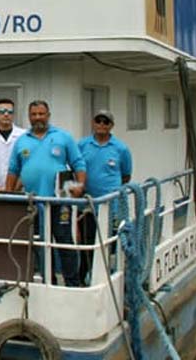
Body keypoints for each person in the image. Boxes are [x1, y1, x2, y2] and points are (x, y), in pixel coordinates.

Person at [4, 100, 86, 287]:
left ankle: (73, 283)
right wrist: (7, 197)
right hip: (33, 204)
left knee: (64, 242)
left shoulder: (63, 137)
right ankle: (50, 282)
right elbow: (13, 170)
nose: (38, 118)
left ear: (48, 115)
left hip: (59, 201)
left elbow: (79, 164)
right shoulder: (22, 141)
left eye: (41, 114)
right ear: (29, 117)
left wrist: (79, 186)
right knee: (40, 245)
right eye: (34, 114)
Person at [78, 109, 132, 283]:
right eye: (98, 121)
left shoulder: (121, 148)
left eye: (105, 122)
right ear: (93, 123)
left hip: (111, 206)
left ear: (111, 125)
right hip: (88, 204)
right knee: (87, 241)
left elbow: (126, 175)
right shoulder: (82, 145)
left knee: (109, 241)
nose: (101, 125)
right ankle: (84, 276)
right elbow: (75, 169)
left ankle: (105, 276)